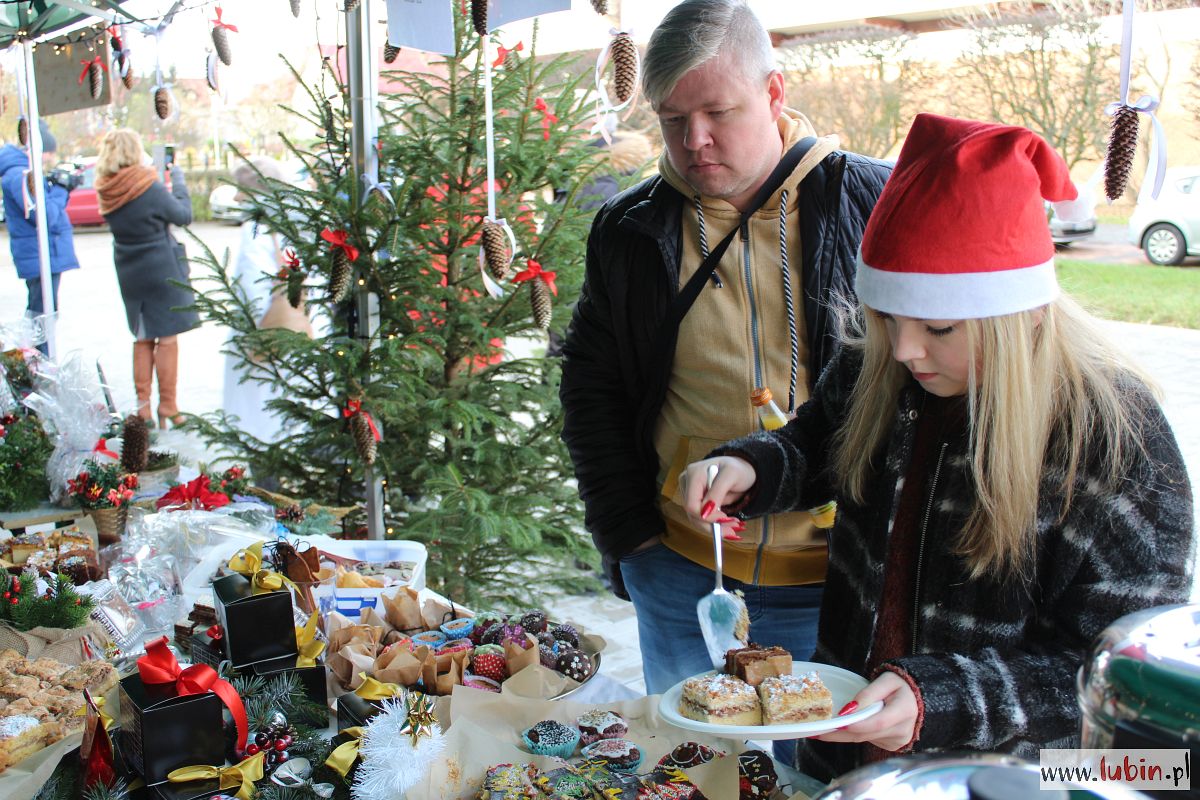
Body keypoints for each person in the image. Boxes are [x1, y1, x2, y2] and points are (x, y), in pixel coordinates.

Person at [679, 113, 1196, 779]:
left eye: (940, 326)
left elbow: (1119, 675)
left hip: (1005, 780)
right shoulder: (887, 368)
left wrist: (941, 698)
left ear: (1023, 314)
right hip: (844, 750)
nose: (904, 350)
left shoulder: (1117, 441)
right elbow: (820, 442)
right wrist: (752, 466)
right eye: (888, 318)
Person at [559, 0, 892, 704]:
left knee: (824, 774)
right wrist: (631, 539)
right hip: (684, 575)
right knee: (695, 769)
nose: (695, 140)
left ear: (774, 93)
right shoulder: (629, 230)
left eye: (717, 112)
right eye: (673, 121)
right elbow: (592, 391)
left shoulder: (874, 201)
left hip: (843, 581)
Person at [94, 128, 199, 427]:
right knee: (166, 339)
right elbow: (182, 215)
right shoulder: (147, 185)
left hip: (129, 271)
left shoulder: (106, 188)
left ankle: (143, 409)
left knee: (142, 337)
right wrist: (177, 180)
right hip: (160, 269)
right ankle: (169, 407)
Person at [221, 158, 313, 445]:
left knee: (262, 432)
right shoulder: (295, 221)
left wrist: (247, 331)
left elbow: (252, 292)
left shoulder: (257, 230)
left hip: (265, 346)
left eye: (240, 188)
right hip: (295, 342)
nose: (235, 197)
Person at [0, 119, 80, 352]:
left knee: (42, 313)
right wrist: (60, 189)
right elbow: (45, 217)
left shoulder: (23, 172)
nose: (49, 160)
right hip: (40, 255)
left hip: (44, 254)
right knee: (41, 318)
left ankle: (34, 362)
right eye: (48, 154)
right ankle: (36, 367)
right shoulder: (20, 175)